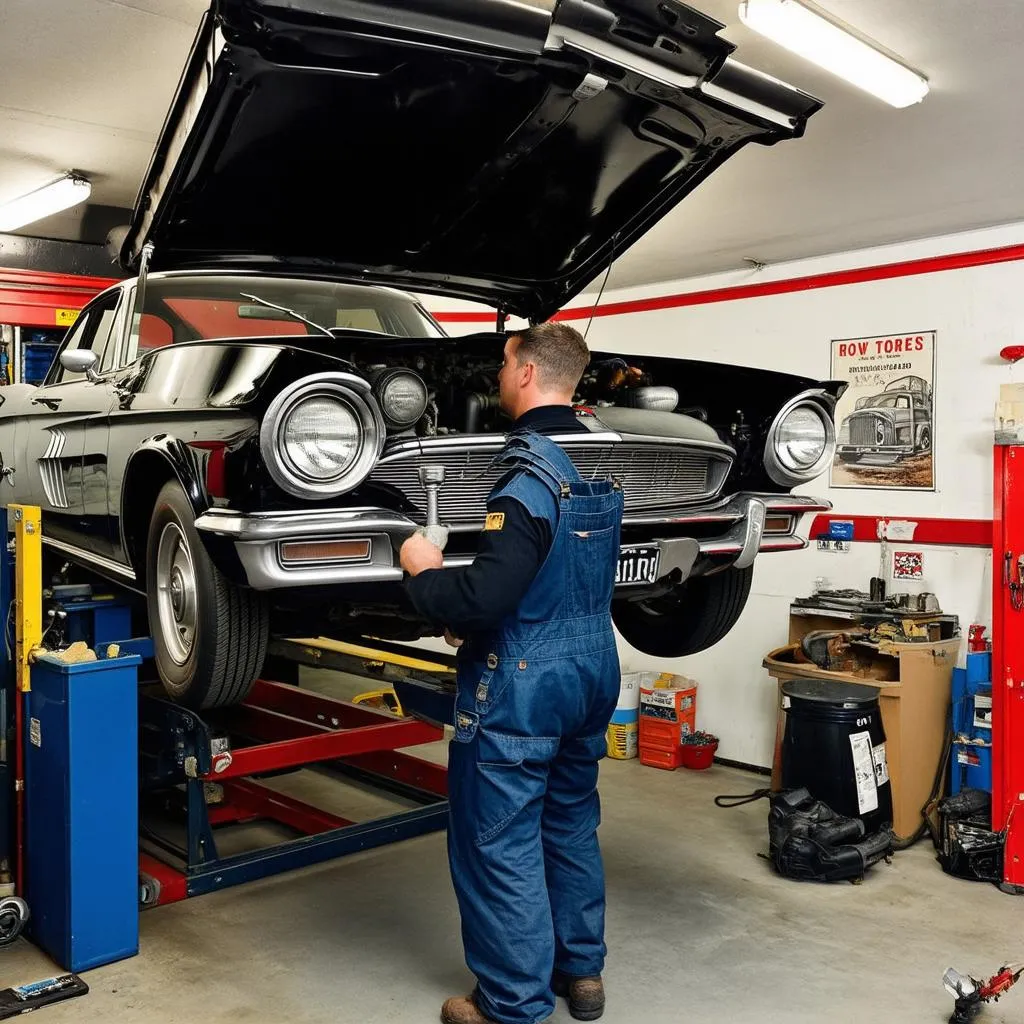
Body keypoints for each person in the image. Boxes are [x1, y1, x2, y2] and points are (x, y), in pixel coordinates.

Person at [400, 322, 624, 1024]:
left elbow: (488, 598)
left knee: (499, 840)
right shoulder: (601, 458)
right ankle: (580, 975)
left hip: (525, 681)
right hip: (593, 669)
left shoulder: (527, 474)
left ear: (526, 373)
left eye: (502, 363)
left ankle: (510, 1004)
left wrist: (425, 576)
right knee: (568, 822)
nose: (496, 375)